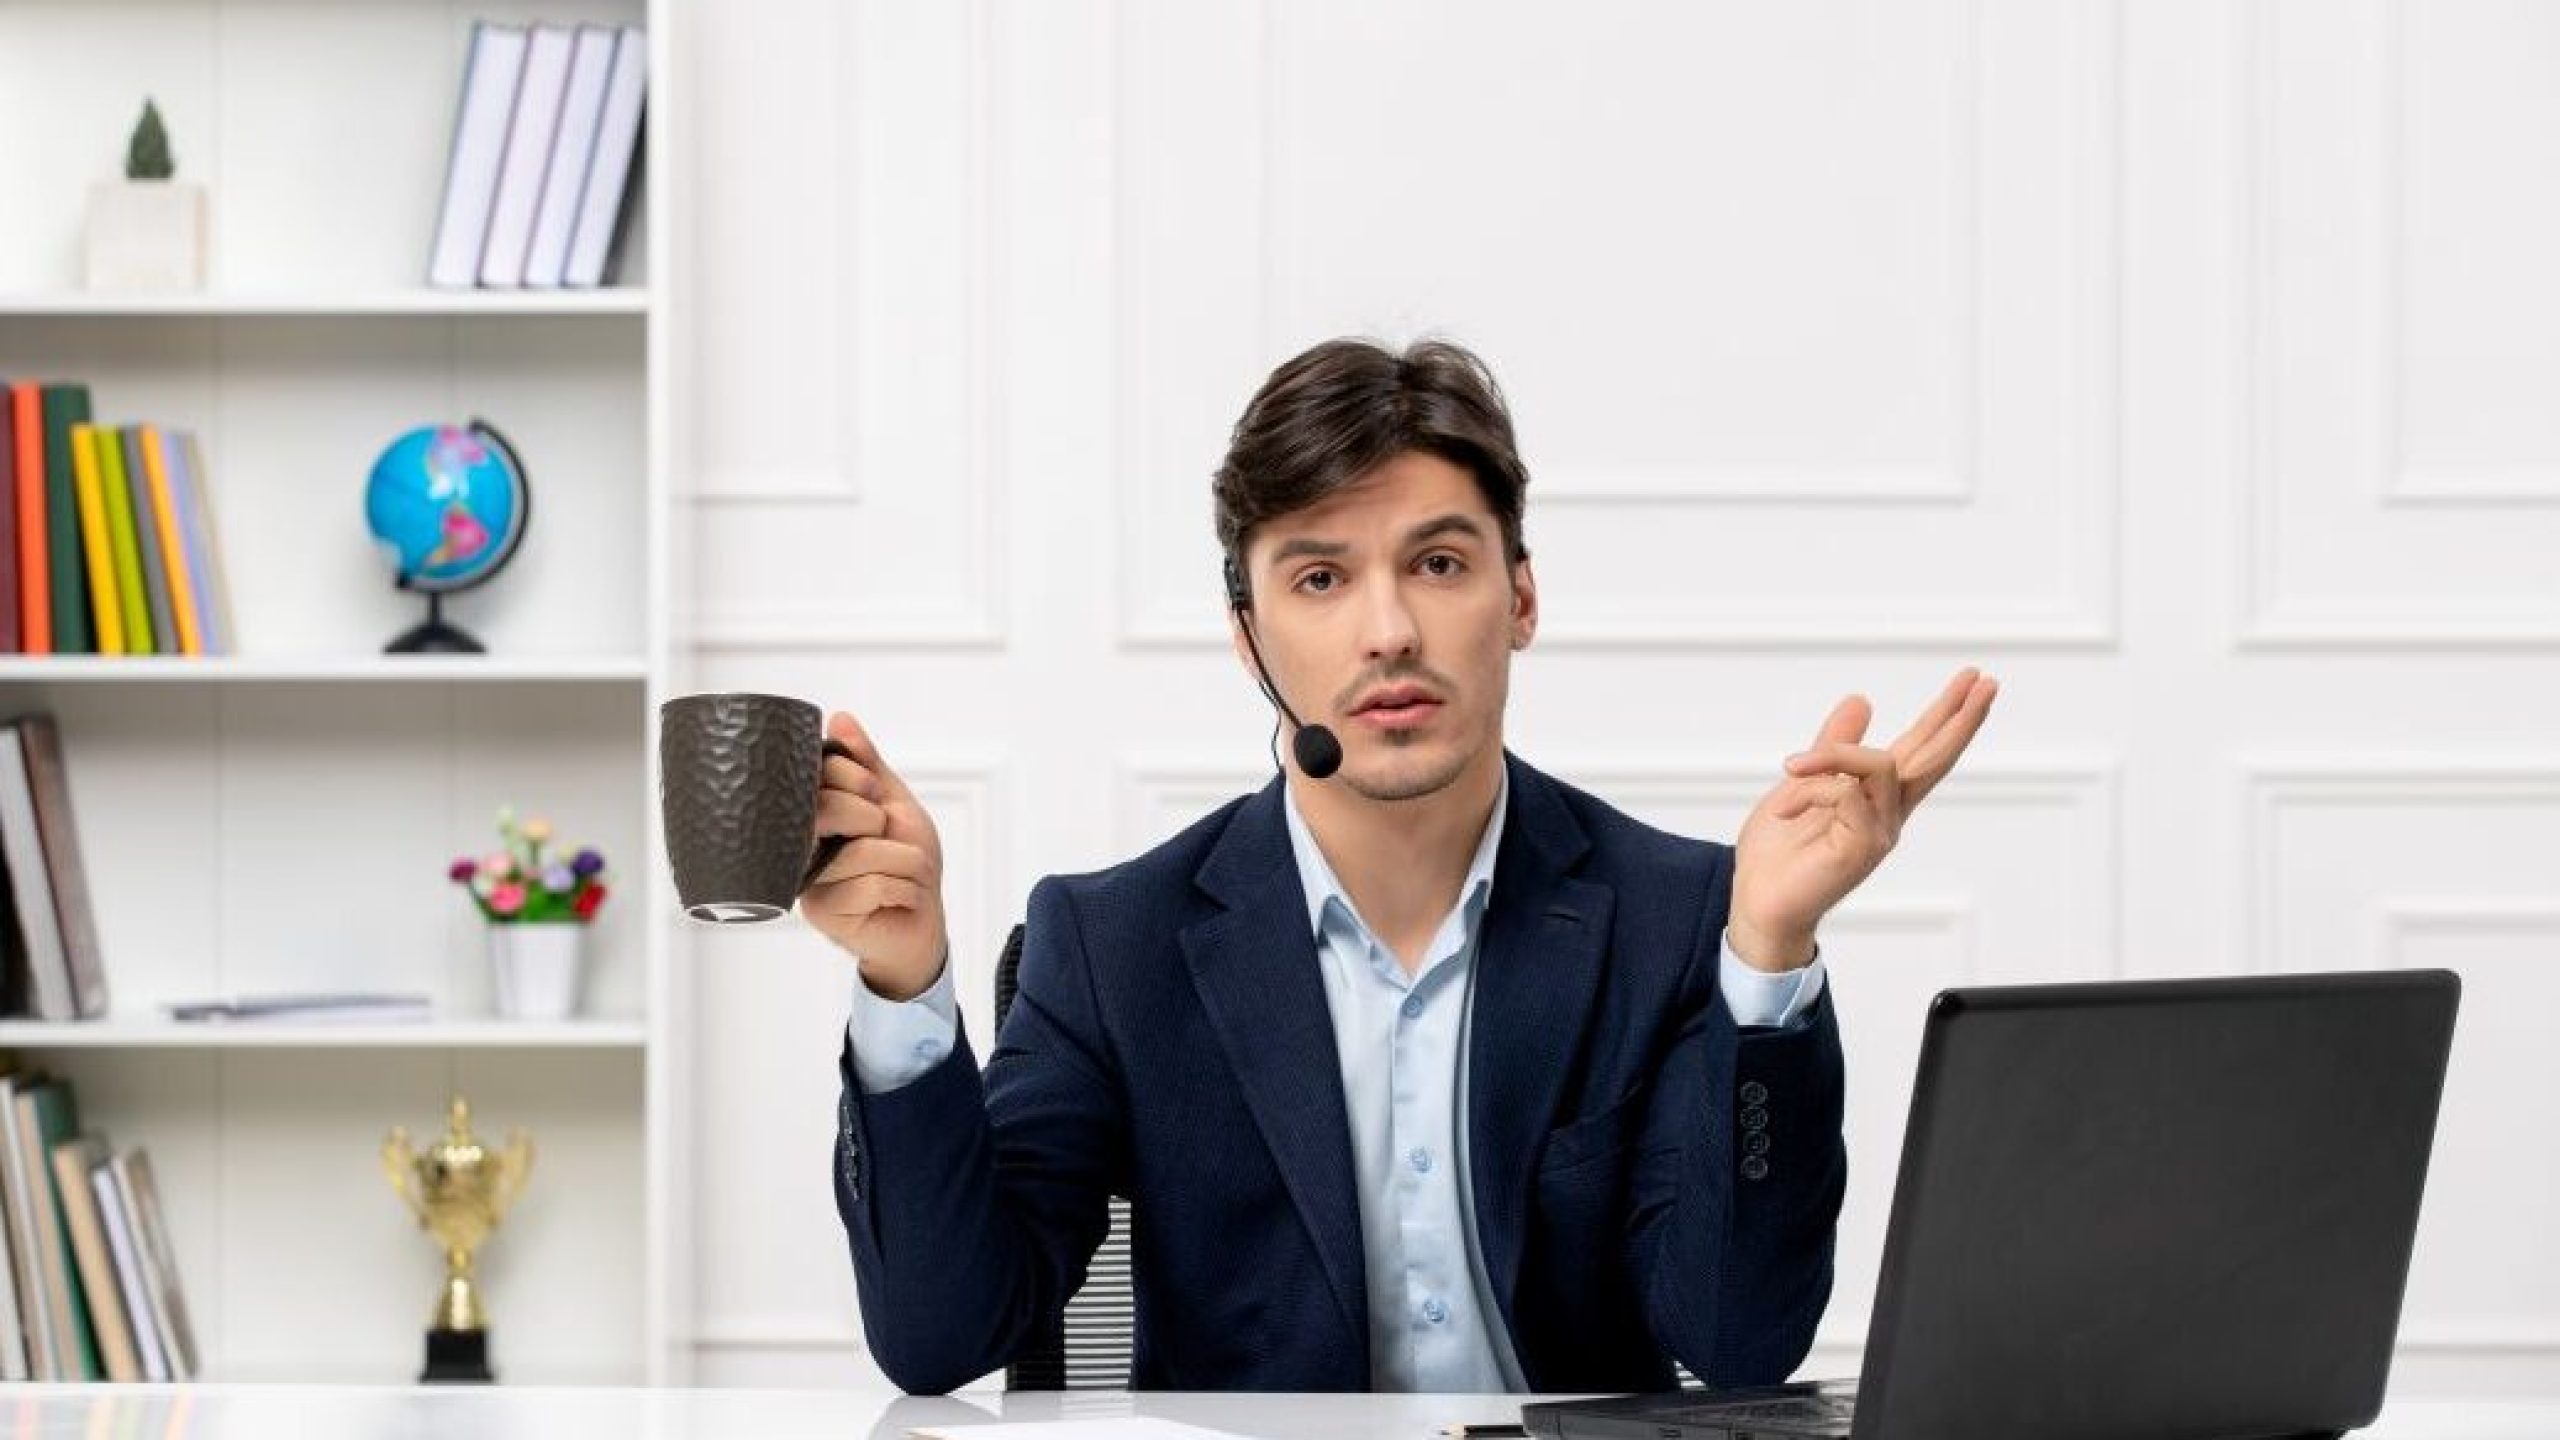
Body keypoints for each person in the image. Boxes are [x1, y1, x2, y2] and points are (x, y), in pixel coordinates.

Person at [808, 338, 1998, 1394]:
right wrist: (907, 988)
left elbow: (1739, 1344)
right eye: (1320, 579)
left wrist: (1766, 955)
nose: (1388, 631)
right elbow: (941, 1338)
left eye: (1437, 563)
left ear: (1518, 597)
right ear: (1249, 640)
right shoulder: (1114, 944)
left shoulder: (1681, 915)